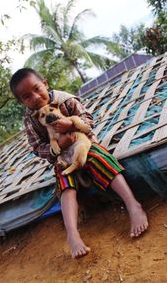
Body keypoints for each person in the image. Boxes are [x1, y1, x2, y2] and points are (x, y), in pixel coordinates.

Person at [9, 68, 148, 259]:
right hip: (62, 155)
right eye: (26, 96)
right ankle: (72, 234)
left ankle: (133, 205)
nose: (35, 97)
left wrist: (70, 125)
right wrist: (57, 147)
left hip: (85, 143)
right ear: (22, 102)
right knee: (65, 185)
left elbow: (88, 120)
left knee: (100, 159)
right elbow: (36, 146)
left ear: (45, 84)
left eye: (37, 88)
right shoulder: (30, 120)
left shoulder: (65, 100)